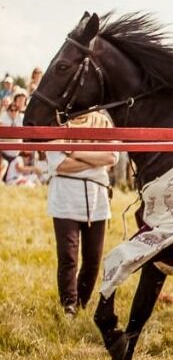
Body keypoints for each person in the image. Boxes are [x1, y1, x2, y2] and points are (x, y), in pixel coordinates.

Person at [46, 111, 117, 317]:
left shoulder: (102, 121)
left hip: (97, 196)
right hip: (66, 197)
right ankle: (69, 304)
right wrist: (95, 160)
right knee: (68, 256)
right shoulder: (57, 123)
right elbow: (58, 164)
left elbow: (112, 156)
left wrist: (74, 151)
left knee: (93, 258)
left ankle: (81, 301)